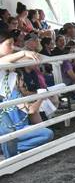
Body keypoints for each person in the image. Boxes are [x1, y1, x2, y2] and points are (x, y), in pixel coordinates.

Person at [0, 27, 54, 159]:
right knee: (9, 132)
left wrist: (26, 54)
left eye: (13, 44)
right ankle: (10, 158)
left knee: (11, 133)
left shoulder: (11, 60)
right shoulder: (7, 60)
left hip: (5, 102)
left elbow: (33, 59)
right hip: (3, 104)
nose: (12, 47)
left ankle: (11, 155)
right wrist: (23, 52)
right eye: (9, 44)